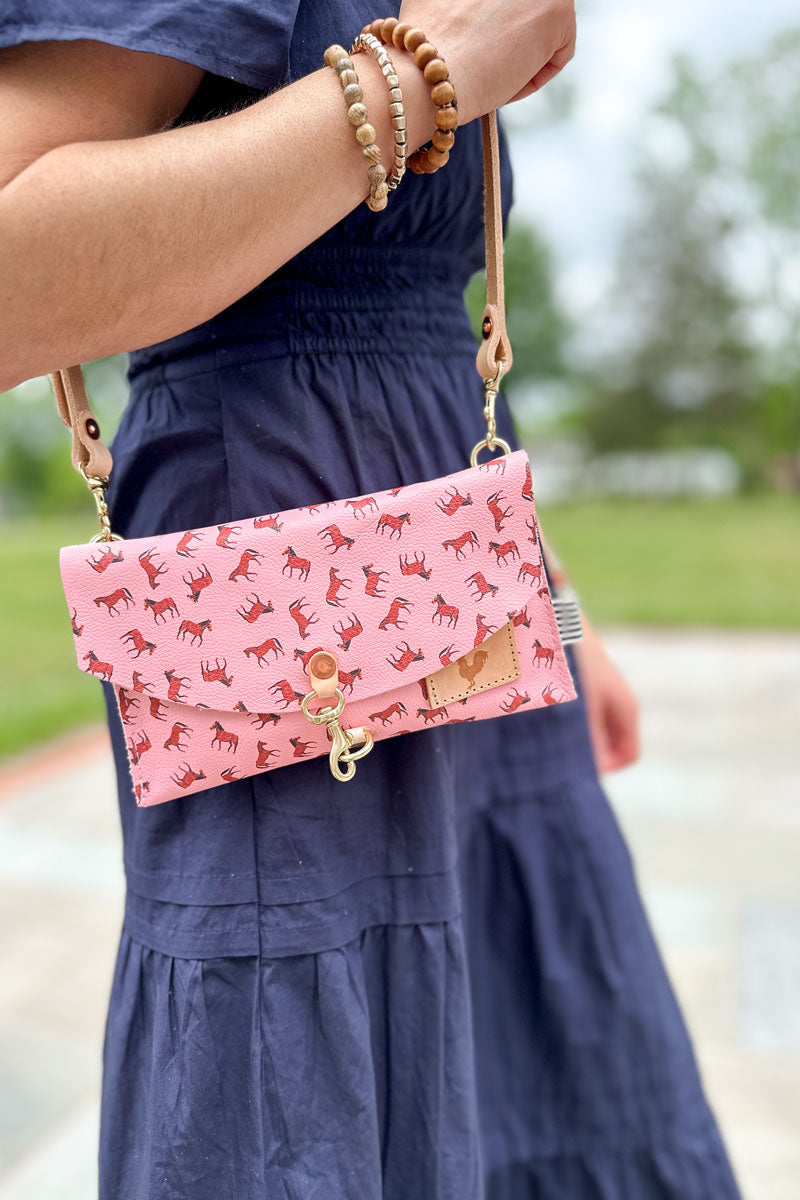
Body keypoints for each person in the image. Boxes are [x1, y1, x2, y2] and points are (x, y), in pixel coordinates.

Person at [0, 3, 742, 1196]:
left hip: (472, 615)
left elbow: (421, 340)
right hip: (266, 570)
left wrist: (557, 607)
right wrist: (426, 77)